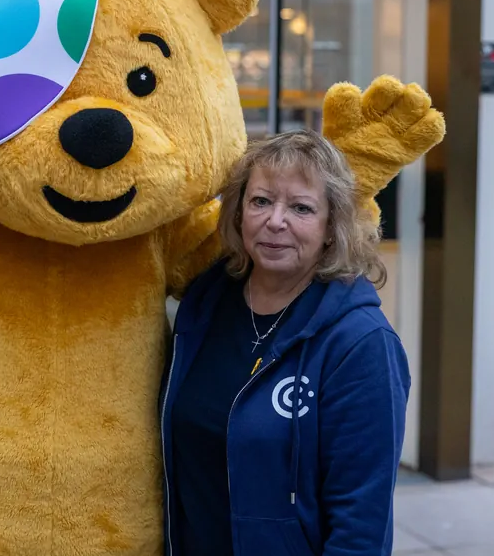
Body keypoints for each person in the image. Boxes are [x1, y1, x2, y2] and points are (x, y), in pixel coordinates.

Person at [159, 129, 410, 556]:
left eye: (301, 207)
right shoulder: (205, 305)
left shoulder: (361, 345)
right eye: (261, 201)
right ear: (239, 214)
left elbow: (361, 523)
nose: (276, 220)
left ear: (332, 228)